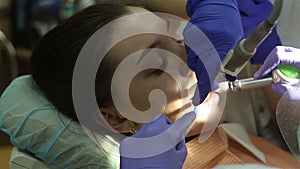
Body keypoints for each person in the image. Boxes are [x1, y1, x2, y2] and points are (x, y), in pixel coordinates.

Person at [0, 1, 299, 169]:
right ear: (116, 116)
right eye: (157, 66)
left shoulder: (232, 138)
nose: (192, 51)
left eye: (177, 36)